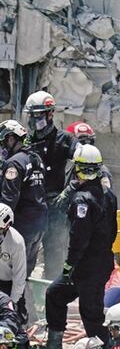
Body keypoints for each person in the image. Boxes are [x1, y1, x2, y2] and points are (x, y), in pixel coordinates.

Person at [35, 145, 117, 349]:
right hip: (96, 263)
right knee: (55, 294)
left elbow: (80, 238)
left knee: (91, 316)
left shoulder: (82, 199)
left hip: (87, 266)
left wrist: (70, 264)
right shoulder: (108, 194)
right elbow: (112, 231)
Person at [24, 91, 77, 280]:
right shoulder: (27, 142)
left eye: (37, 115)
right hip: (31, 207)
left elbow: (84, 164)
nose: (33, 120)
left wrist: (69, 192)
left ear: (49, 114)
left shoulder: (65, 140)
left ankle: (51, 298)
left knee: (55, 254)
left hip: (55, 206)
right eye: (31, 115)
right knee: (25, 254)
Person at [0, 120, 47, 280]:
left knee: (10, 277)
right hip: (38, 226)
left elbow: (8, 199)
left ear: (12, 139)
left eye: (4, 141)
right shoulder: (36, 159)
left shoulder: (13, 163)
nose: (3, 146)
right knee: (24, 274)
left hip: (22, 227)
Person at [0, 203, 28, 322]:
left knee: (14, 319)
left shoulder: (16, 242)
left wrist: (13, 301)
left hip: (8, 284)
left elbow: (19, 276)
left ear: (7, 226)